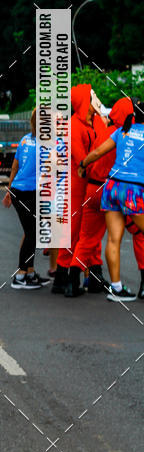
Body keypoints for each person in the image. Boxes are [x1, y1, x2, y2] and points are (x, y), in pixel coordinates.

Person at [73, 97, 144, 293]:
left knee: (113, 239)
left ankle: (116, 288)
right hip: (134, 191)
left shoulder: (121, 132)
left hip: (112, 188)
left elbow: (96, 153)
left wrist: (82, 165)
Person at [52, 85, 101, 297]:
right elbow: (82, 159)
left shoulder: (94, 121)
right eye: (92, 98)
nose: (95, 101)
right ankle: (65, 279)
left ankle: (89, 277)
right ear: (83, 101)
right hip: (76, 184)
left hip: (88, 183)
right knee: (72, 232)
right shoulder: (73, 125)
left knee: (88, 233)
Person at [2, 109, 42, 289]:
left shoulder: (25, 139)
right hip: (29, 193)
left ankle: (30, 272)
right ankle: (20, 276)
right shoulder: (47, 143)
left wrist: (9, 190)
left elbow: (14, 168)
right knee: (32, 234)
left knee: (30, 233)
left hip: (18, 191)